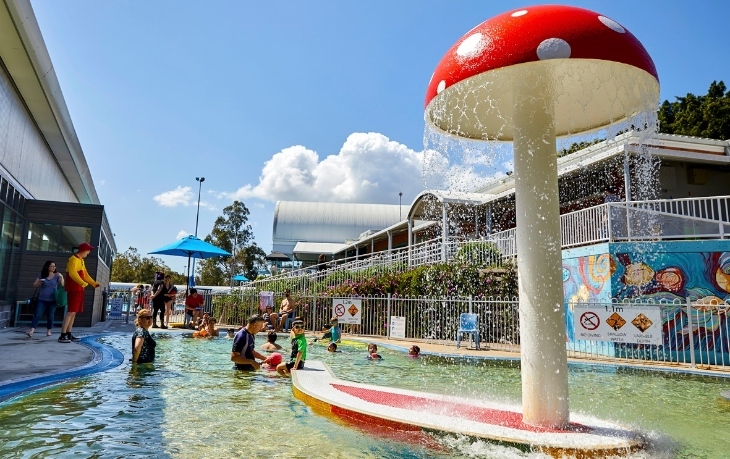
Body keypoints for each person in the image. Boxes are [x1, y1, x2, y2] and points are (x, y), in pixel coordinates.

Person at [59, 242, 100, 343]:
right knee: (71, 311)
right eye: (88, 250)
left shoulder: (81, 260)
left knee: (74, 312)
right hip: (74, 288)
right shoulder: (72, 259)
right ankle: (63, 334)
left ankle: (68, 333)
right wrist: (82, 283)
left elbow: (85, 274)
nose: (89, 252)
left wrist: (93, 283)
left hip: (79, 288)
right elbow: (72, 274)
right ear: (83, 250)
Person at [27, 261, 64, 338]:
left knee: (50, 315)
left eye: (54, 266)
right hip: (42, 299)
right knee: (37, 314)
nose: (53, 268)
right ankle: (31, 330)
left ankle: (48, 331)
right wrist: (39, 283)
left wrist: (62, 276)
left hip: (53, 299)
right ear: (47, 267)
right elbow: (34, 285)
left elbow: (62, 285)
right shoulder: (42, 275)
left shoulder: (57, 276)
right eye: (52, 266)